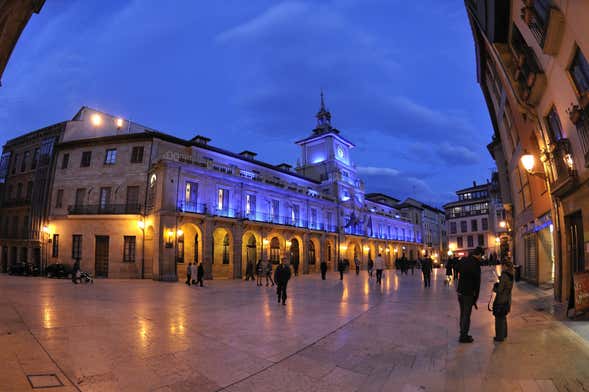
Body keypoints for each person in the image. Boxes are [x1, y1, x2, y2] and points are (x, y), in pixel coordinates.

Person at [456, 247, 482, 343]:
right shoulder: (476, 265)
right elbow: (477, 283)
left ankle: (462, 332)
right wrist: (475, 298)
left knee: (462, 313)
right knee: (466, 315)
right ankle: (464, 336)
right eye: (481, 256)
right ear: (478, 254)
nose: (481, 258)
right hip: (468, 293)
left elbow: (457, 268)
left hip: (460, 291)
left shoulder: (464, 260)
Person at [492, 261, 514, 342]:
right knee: (503, 317)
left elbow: (500, 289)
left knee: (499, 318)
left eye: (503, 265)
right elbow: (507, 285)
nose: (502, 267)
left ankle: (499, 337)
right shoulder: (510, 274)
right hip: (507, 299)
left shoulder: (505, 275)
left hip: (501, 299)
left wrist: (495, 288)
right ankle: (504, 334)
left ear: (506, 266)